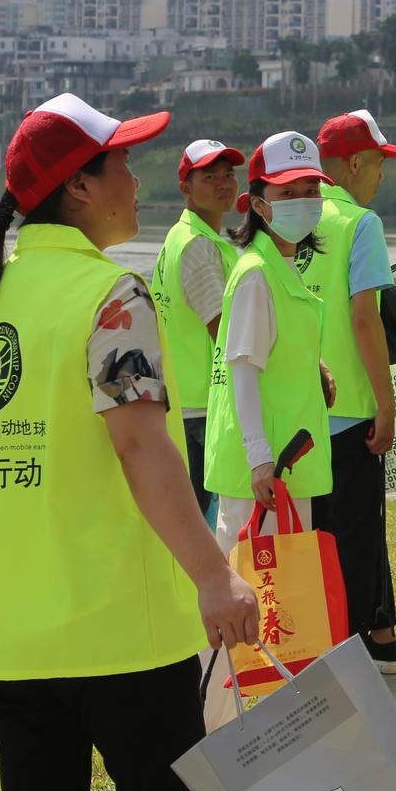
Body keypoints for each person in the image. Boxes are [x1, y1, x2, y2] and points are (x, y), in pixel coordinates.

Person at [0, 92, 258, 791]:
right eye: (124, 164)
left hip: (9, 639)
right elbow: (139, 442)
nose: (138, 181)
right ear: (78, 185)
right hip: (118, 634)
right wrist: (213, 575)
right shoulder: (110, 295)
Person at [305, 109, 396, 675]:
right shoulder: (360, 225)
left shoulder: (290, 220)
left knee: (310, 545)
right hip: (348, 414)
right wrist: (385, 406)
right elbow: (365, 320)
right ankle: (351, 663)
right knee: (353, 544)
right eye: (377, 164)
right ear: (351, 164)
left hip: (297, 418)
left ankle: (317, 659)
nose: (381, 177)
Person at [203, 133, 338, 543]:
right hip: (265, 471)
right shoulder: (256, 273)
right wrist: (259, 459)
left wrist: (314, 365)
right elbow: (242, 368)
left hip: (287, 461)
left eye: (311, 190)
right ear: (259, 205)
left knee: (282, 595)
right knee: (257, 590)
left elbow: (271, 345)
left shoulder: (280, 265)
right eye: (289, 192)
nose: (303, 200)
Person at [150, 138, 244, 527]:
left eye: (229, 175)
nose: (223, 183)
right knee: (206, 524)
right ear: (186, 187)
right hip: (202, 410)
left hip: (183, 401)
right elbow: (225, 333)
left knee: (188, 519)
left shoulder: (181, 236)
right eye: (210, 176)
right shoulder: (199, 247)